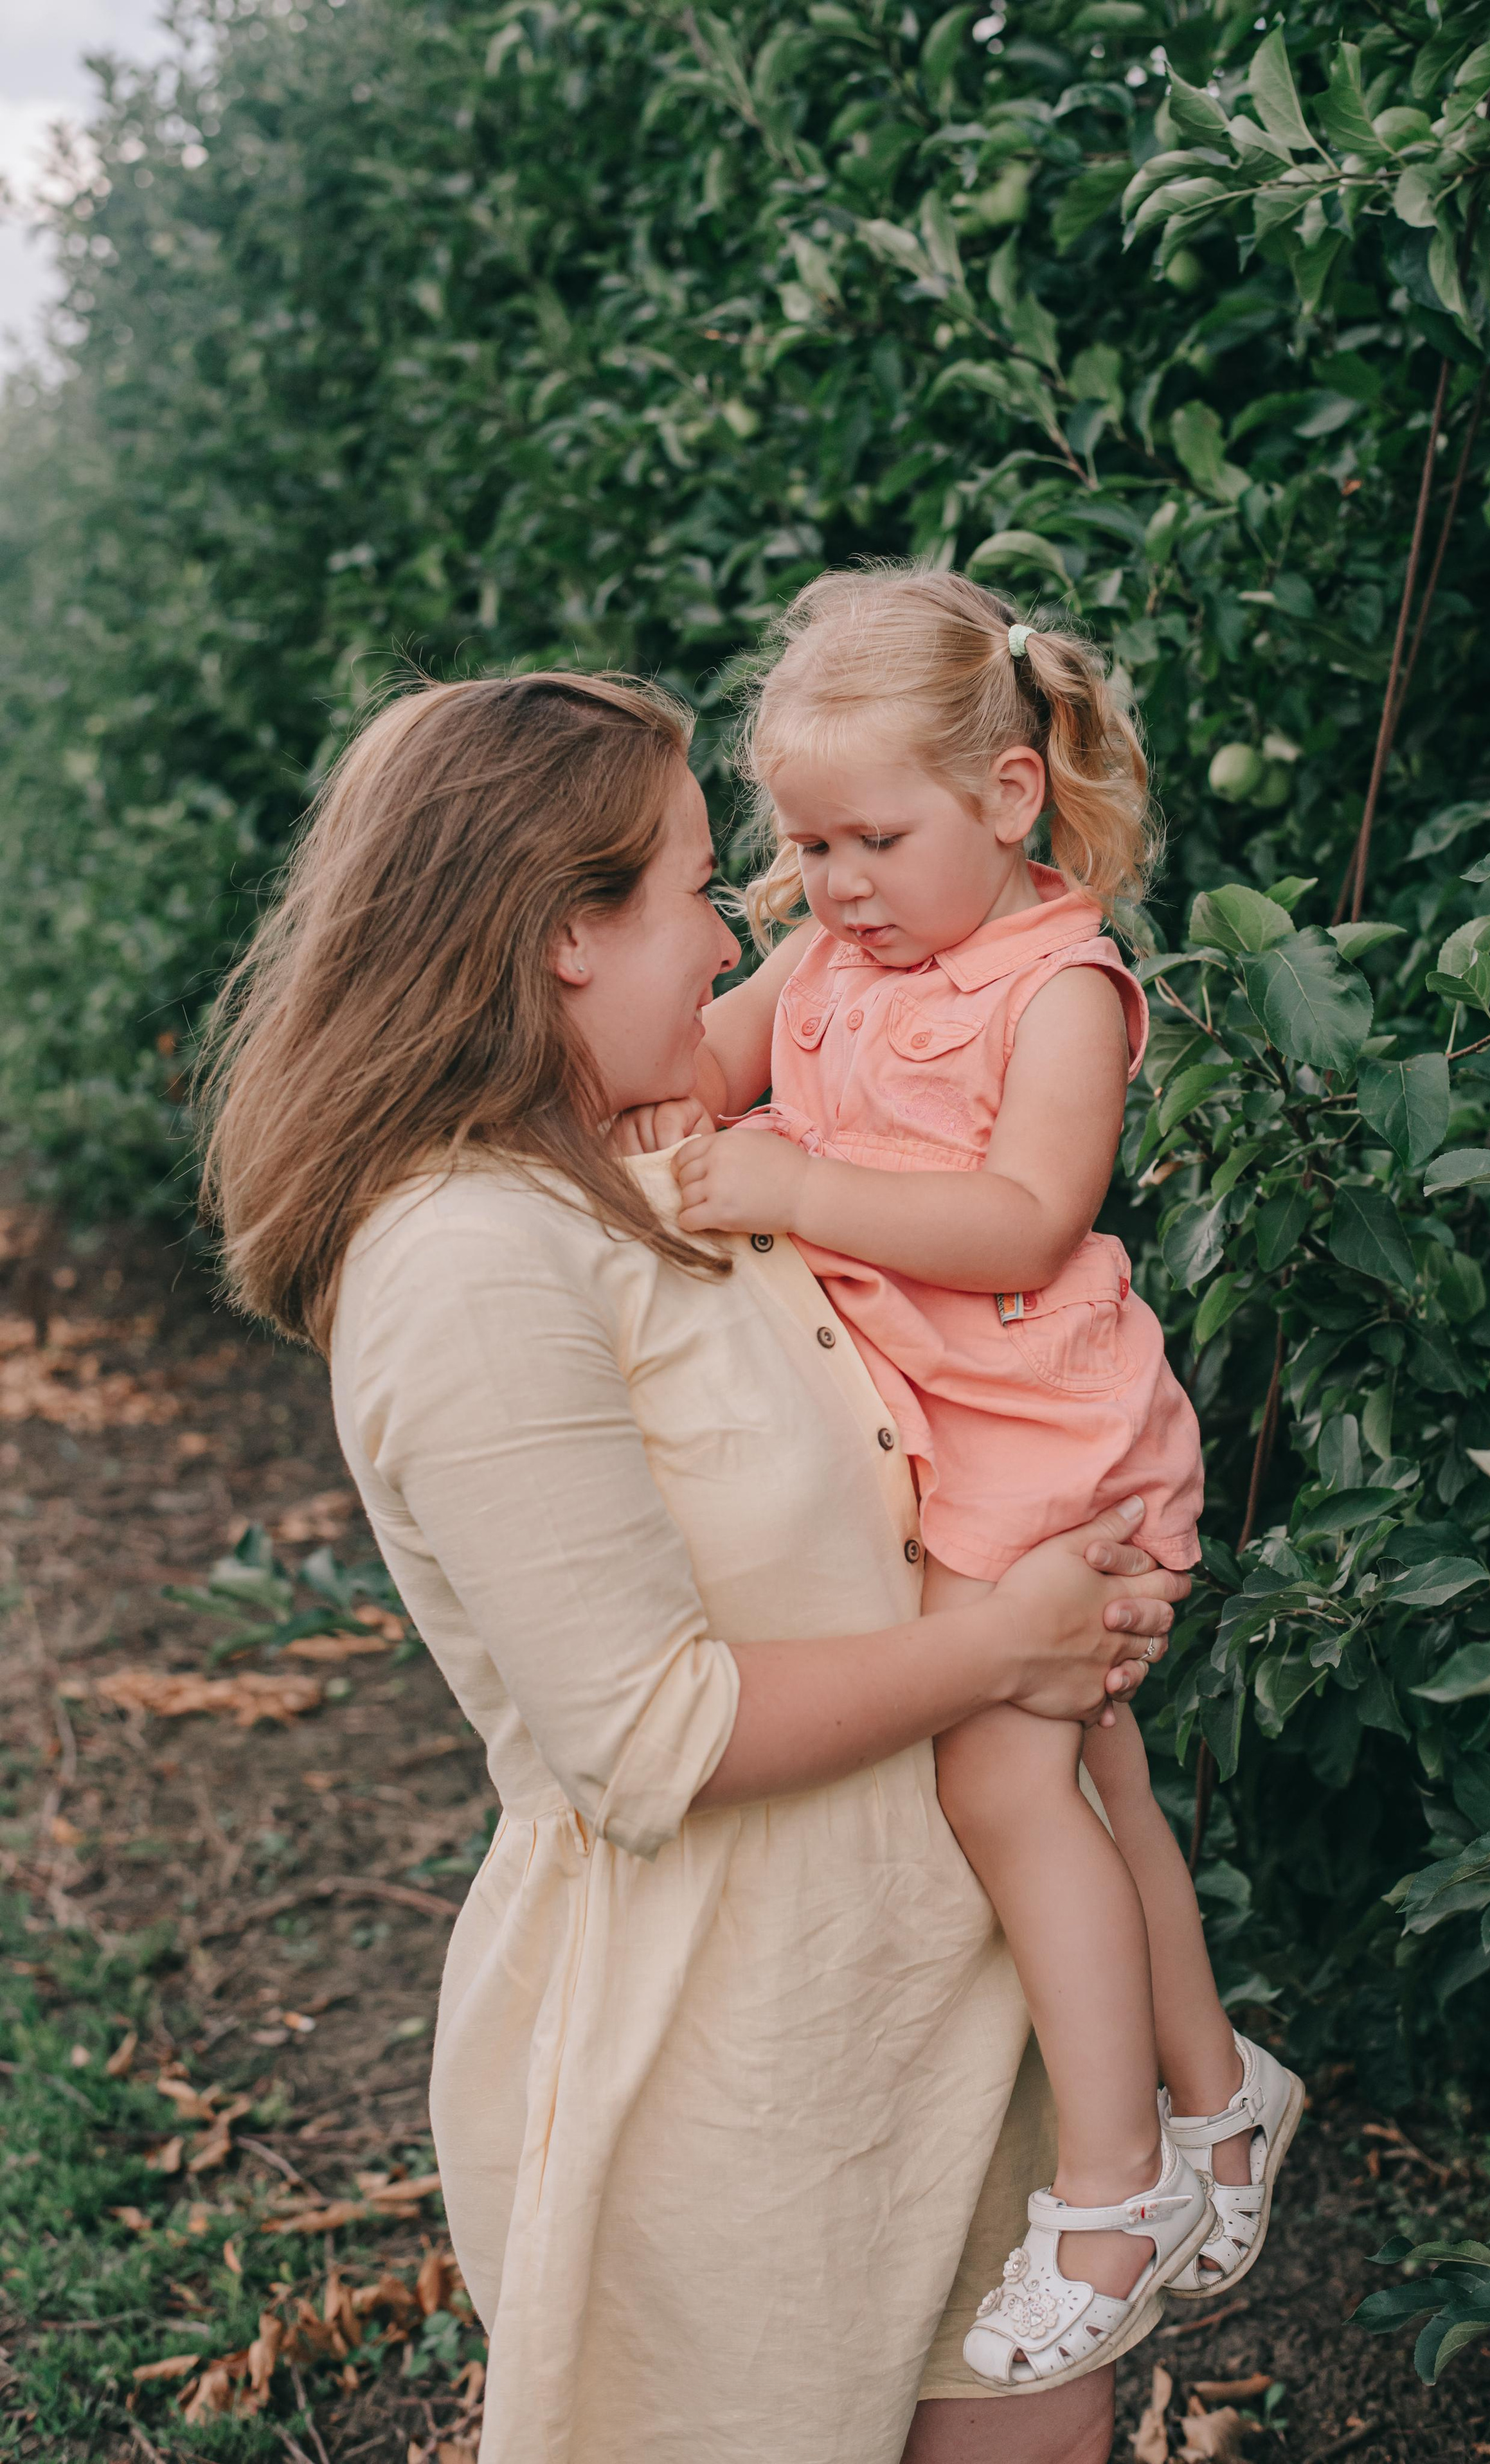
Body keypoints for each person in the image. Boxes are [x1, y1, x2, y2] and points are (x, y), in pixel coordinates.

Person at [196, 667, 1193, 2464]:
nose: (744, 919)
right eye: (683, 881)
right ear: (565, 933)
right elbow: (648, 1729)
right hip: (728, 2077)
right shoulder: (468, 1261)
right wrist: (1008, 1647)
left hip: (931, 1991)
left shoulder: (655, 1166)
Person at [633, 567, 1302, 2391]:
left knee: (1004, 1778)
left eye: (874, 838)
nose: (837, 883)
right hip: (933, 1442)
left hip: (1041, 1441)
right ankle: (1222, 2094)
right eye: (805, 845)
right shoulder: (833, 957)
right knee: (1095, 1773)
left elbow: (1031, 1211)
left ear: (1008, 796)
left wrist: (801, 1189)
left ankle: (1110, 2195)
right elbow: (689, 1061)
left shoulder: (1057, 979)